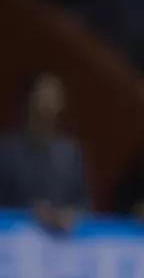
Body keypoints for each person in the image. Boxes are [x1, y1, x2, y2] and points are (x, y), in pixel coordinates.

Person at [0, 72, 90, 232]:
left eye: (55, 95)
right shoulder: (7, 150)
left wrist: (71, 214)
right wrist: (31, 212)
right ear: (30, 100)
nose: (49, 102)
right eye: (43, 94)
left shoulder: (71, 152)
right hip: (15, 236)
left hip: (61, 238)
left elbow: (84, 202)